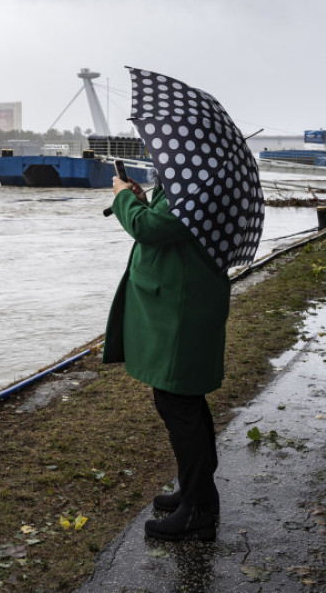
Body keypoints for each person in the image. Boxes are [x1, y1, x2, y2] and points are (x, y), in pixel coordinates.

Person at [103, 172, 230, 541]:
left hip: (181, 309)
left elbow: (149, 229)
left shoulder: (195, 185)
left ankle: (199, 510)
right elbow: (164, 222)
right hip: (180, 303)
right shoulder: (191, 183)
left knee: (178, 402)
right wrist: (142, 199)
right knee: (184, 399)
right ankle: (199, 493)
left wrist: (122, 198)